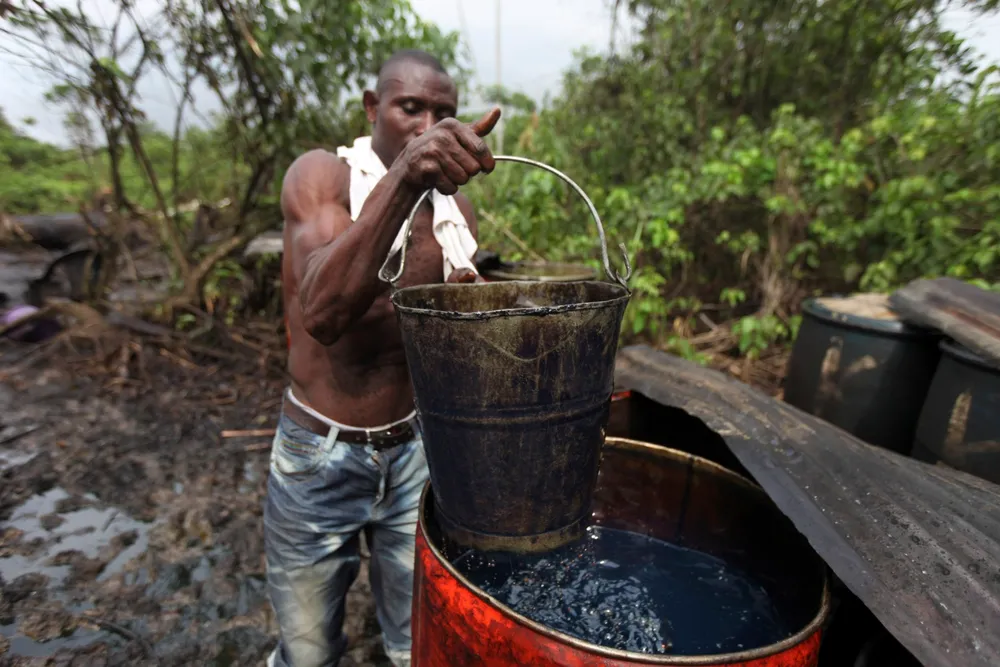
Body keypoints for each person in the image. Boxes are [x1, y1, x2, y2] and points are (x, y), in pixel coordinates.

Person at [265, 49, 501, 667]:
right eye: (410, 108)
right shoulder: (322, 178)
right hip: (320, 455)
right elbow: (324, 313)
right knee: (309, 652)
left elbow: (443, 342)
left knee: (416, 641)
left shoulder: (454, 213)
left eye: (443, 114)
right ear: (373, 108)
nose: (428, 127)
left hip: (414, 451)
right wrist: (406, 177)